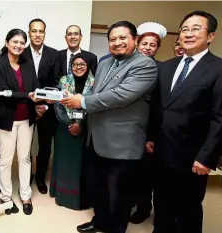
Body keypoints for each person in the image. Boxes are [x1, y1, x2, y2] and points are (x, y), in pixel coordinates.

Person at [148, 10, 222, 233]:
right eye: (185, 29)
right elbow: (156, 107)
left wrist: (207, 156)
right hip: (161, 151)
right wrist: (150, 137)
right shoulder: (166, 67)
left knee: (187, 209)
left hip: (192, 157)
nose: (188, 34)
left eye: (196, 29)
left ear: (211, 36)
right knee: (161, 204)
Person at [61, 21, 157, 233]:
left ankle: (115, 228)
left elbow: (120, 96)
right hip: (96, 138)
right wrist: (73, 98)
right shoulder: (105, 63)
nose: (117, 43)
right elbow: (96, 92)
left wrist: (82, 102)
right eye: (112, 39)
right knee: (99, 188)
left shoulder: (145, 65)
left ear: (135, 40)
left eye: (123, 38)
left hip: (122, 143)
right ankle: (99, 221)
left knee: (119, 195)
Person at [0, 29, 39, 215]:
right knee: (6, 159)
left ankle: (25, 194)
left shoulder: (27, 63)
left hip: (27, 119)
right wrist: (28, 95)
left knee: (25, 158)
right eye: (15, 41)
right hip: (5, 119)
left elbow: (35, 86)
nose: (18, 45)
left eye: (21, 42)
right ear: (7, 42)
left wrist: (41, 97)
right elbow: (3, 92)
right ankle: (6, 196)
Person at [130, 21, 167, 224]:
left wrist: (152, 134)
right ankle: (133, 204)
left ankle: (145, 208)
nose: (147, 47)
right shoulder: (128, 63)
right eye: (144, 43)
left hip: (151, 125)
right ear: (137, 43)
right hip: (130, 125)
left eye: (152, 45)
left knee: (147, 171)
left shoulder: (163, 69)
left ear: (157, 48)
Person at [50, 53, 94, 210]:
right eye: (75, 64)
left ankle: (79, 199)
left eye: (82, 64)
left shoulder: (95, 83)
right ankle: (62, 196)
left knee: (80, 166)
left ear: (88, 66)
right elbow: (58, 106)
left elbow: (95, 107)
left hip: (85, 130)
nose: (78, 67)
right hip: (65, 129)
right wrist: (70, 123)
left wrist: (80, 125)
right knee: (64, 163)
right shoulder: (64, 81)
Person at [23, 18, 60, 194]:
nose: (37, 34)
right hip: (25, 107)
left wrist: (45, 105)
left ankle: (40, 177)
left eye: (41, 31)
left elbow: (57, 82)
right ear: (29, 32)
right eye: (34, 31)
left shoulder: (54, 54)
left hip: (47, 110)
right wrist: (32, 103)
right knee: (25, 145)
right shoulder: (20, 53)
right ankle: (27, 175)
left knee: (45, 146)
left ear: (45, 33)